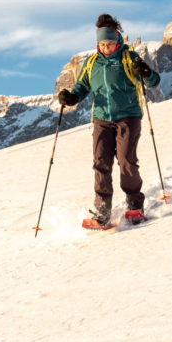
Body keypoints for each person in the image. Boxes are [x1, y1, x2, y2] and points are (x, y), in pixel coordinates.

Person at [58, 14, 160, 227]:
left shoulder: (129, 58)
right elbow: (82, 88)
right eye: (103, 44)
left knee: (126, 161)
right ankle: (102, 210)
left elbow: (152, 81)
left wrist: (146, 72)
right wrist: (71, 98)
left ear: (118, 41)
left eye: (110, 44)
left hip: (128, 117)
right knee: (100, 162)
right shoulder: (92, 63)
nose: (107, 48)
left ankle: (134, 205)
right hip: (101, 120)